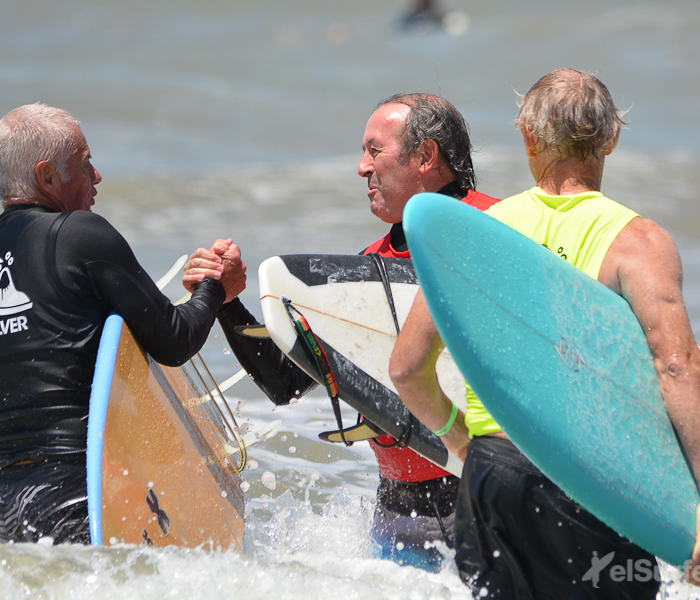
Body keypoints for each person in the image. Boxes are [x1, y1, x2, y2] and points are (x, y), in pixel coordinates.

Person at [390, 69, 700, 598]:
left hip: (492, 478)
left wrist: (462, 442)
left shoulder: (477, 231)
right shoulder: (637, 242)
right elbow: (676, 364)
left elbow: (406, 368)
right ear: (613, 138)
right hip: (590, 477)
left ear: (527, 136)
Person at [187, 93, 500, 570]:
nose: (361, 167)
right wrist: (228, 303)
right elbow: (286, 382)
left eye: (375, 150)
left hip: (488, 492)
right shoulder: (369, 269)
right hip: (400, 510)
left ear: (425, 156)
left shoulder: (503, 230)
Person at [0, 103, 246, 544]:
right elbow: (175, 340)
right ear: (47, 177)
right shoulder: (80, 235)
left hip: (4, 508)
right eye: (84, 164)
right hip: (83, 495)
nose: (98, 176)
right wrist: (215, 287)